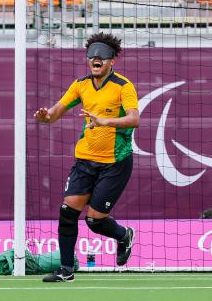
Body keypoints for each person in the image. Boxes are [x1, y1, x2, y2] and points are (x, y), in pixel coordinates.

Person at [33, 32, 139, 283]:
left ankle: (123, 236)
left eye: (101, 55)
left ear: (112, 60)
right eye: (91, 55)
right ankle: (66, 270)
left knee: (94, 220)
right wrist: (45, 117)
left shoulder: (123, 86)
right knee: (67, 211)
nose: (95, 59)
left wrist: (106, 121)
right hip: (84, 160)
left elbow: (134, 118)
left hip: (115, 163)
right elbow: (55, 113)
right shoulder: (80, 84)